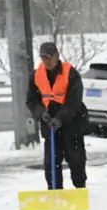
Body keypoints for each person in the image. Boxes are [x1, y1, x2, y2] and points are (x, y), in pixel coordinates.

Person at [26, 41, 88, 189]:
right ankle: (55, 190)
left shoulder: (70, 73)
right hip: (49, 125)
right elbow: (32, 101)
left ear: (56, 56)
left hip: (72, 122)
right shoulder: (35, 76)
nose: (46, 61)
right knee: (51, 162)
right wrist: (42, 114)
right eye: (43, 58)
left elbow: (75, 100)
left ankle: (80, 189)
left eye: (49, 57)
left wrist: (61, 118)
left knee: (75, 158)